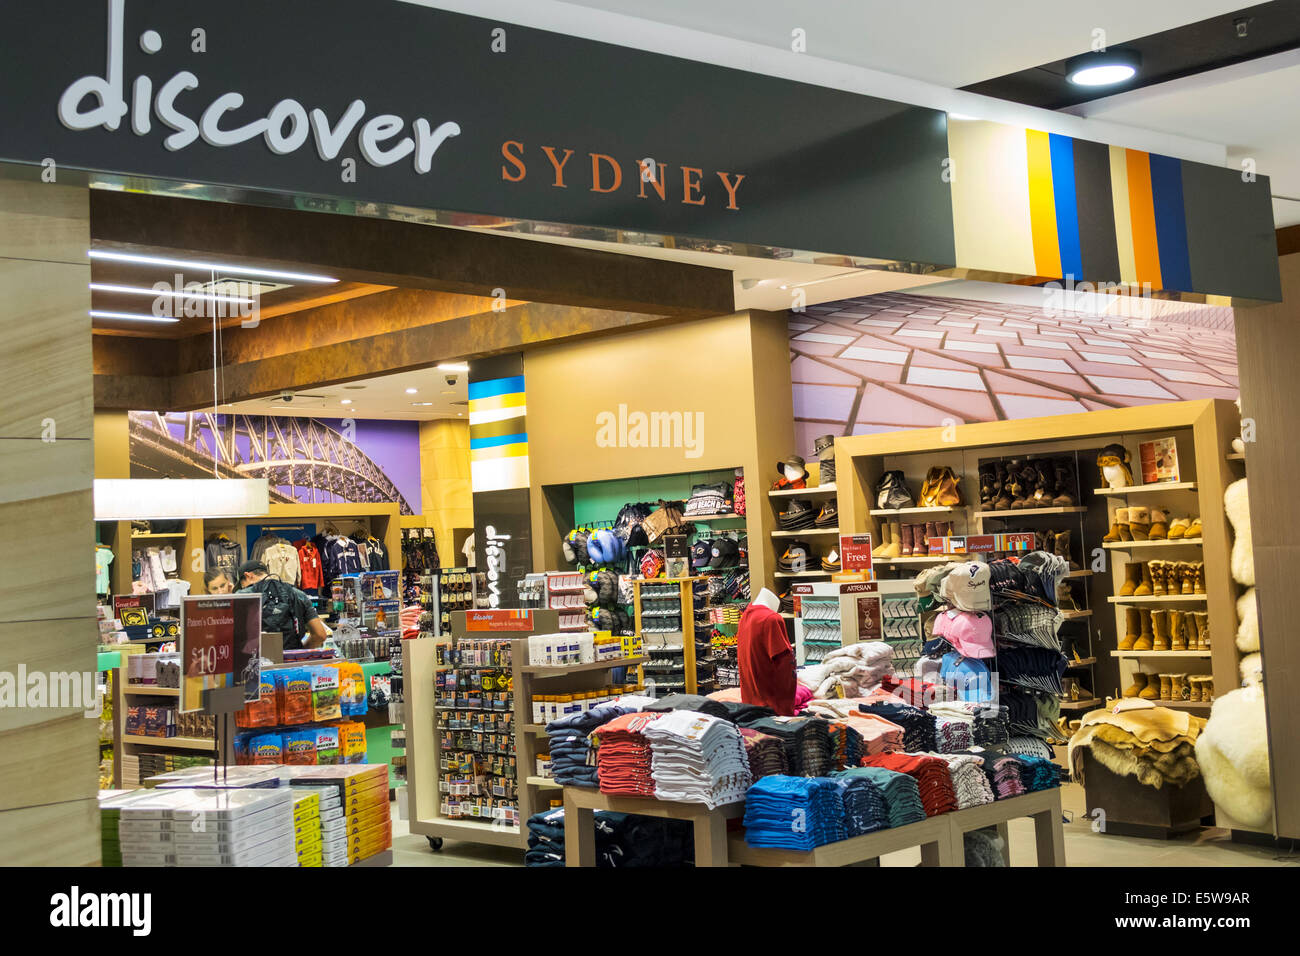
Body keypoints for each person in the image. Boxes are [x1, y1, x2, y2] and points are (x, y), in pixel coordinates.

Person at [236, 560, 329, 651]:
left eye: (242, 584)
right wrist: (299, 651)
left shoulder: (242, 596)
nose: (243, 587)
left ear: (248, 576)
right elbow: (320, 635)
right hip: (292, 662)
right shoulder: (298, 594)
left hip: (257, 662)